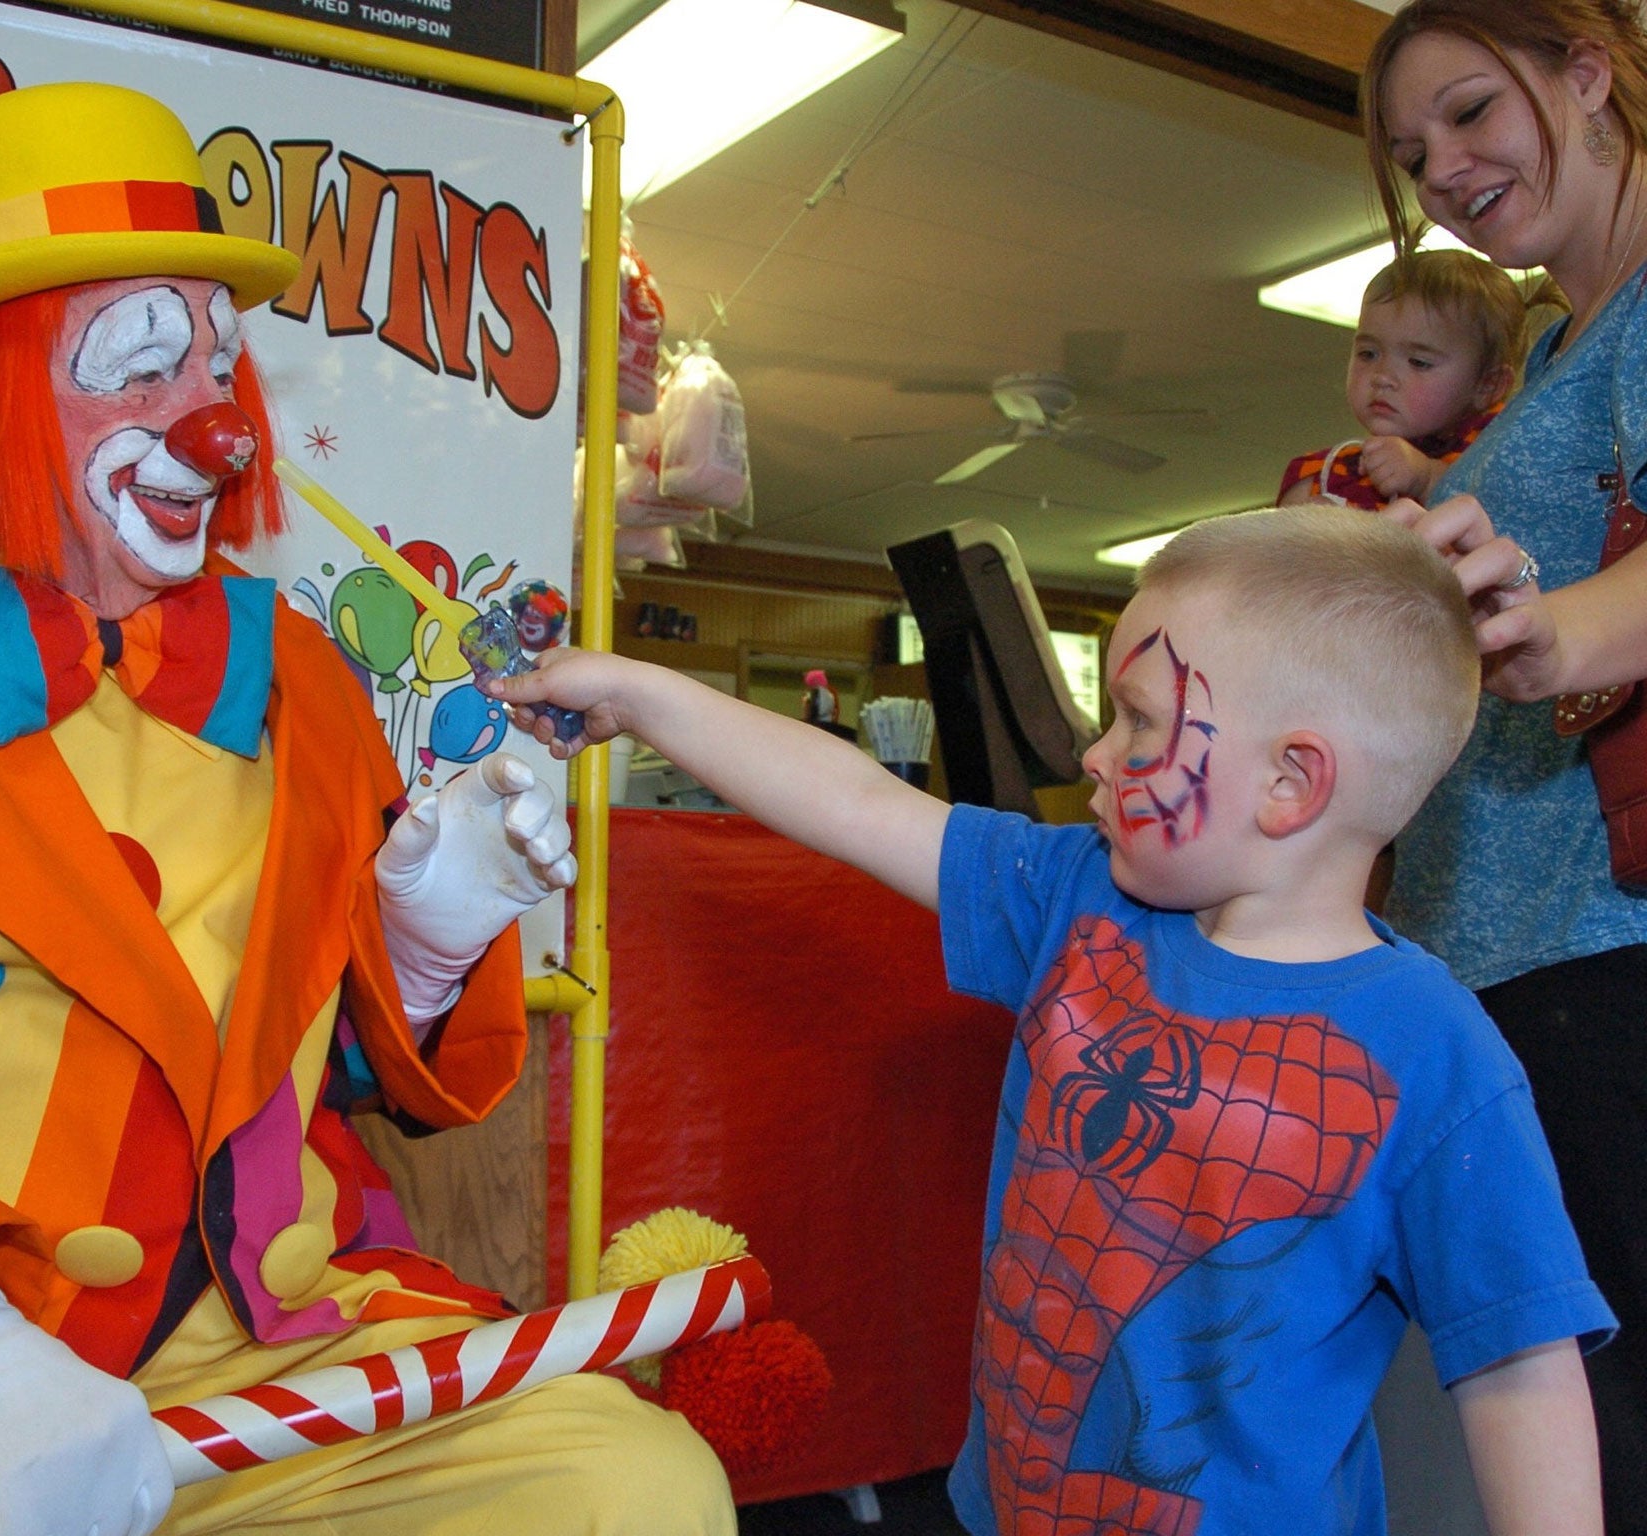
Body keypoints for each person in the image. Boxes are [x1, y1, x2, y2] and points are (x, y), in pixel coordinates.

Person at [0, 82, 734, 1536]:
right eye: (141, 368)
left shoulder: (300, 678)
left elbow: (355, 1085)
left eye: (217, 372)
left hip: (263, 1344)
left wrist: (428, 944)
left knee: (629, 1491)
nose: (214, 430)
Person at [488, 505, 1615, 1536]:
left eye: (1137, 722)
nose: (1093, 755)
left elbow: (1518, 1368)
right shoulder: (1081, 902)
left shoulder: (1435, 1055)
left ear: (1289, 784)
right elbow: (857, 802)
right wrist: (641, 694)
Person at [1363, 5, 1647, 1526]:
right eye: (1417, 153)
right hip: (1502, 949)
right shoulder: (1550, 342)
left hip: (1603, 942)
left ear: (1588, 70)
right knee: (1562, 1415)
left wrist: (1553, 629)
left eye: (1475, 113)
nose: (1447, 169)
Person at [1277, 249, 1524, 510]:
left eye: (1418, 362)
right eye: (1368, 354)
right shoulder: (1326, 475)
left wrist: (1428, 478)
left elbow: (1514, 522)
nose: (1382, 377)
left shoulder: (1504, 453)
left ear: (1488, 384)